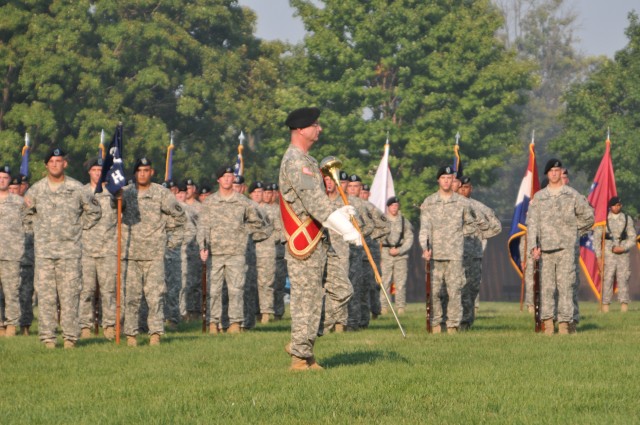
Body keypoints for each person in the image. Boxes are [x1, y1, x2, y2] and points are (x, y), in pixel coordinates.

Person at [279, 107, 360, 370]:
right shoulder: (296, 162)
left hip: (319, 239)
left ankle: (302, 343)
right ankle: (300, 359)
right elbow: (315, 204)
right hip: (304, 243)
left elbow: (318, 202)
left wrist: (340, 212)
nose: (320, 128)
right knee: (307, 299)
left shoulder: (309, 161)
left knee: (342, 291)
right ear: (301, 129)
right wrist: (345, 229)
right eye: (315, 124)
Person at [24, 148, 102, 348]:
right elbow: (25, 215)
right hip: (45, 254)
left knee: (70, 297)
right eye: (51, 161)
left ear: (64, 164)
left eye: (59, 161)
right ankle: (48, 338)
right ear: (46, 165)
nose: (55, 164)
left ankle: (70, 338)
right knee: (47, 299)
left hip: (70, 254)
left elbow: (94, 211)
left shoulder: (77, 189)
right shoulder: (36, 190)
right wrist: (38, 231)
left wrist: (77, 228)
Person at [121, 157, 186, 346]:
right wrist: (115, 196)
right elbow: (113, 209)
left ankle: (155, 333)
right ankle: (131, 334)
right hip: (130, 254)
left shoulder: (161, 194)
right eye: (139, 170)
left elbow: (179, 216)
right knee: (131, 297)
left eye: (146, 170)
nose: (143, 174)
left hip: (154, 255)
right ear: (135, 173)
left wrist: (171, 243)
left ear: (152, 172)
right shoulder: (125, 193)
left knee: (155, 296)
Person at [197, 166, 269, 334]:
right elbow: (202, 226)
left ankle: (235, 323)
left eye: (231, 176)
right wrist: (202, 246)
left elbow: (257, 222)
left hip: (236, 252)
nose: (228, 179)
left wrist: (245, 232)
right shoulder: (210, 202)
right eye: (225, 176)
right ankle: (214, 323)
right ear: (219, 180)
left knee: (236, 290)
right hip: (215, 252)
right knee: (214, 291)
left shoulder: (243, 201)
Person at [419, 166, 489, 334]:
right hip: (435, 254)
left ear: (453, 181)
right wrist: (425, 247)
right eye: (443, 178)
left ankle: (452, 326)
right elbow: (425, 228)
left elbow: (478, 223)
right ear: (438, 180)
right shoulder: (429, 202)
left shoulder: (462, 203)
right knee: (435, 292)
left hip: (455, 254)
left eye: (449, 178)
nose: (446, 181)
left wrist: (467, 236)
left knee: (454, 291)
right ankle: (436, 325)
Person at [528, 159, 594, 335]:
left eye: (558, 170)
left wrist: (574, 231)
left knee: (566, 287)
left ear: (561, 172)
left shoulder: (572, 195)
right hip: (546, 249)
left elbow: (589, 216)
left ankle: (565, 324)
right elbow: (532, 223)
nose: (555, 173)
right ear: (547, 174)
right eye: (551, 171)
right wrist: (533, 246)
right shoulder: (539, 197)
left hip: (566, 249)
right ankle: (548, 324)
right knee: (547, 288)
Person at [78, 158, 118, 340]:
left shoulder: (113, 192)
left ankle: (109, 326)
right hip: (85, 250)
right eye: (94, 169)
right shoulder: (81, 192)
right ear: (89, 172)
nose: (97, 172)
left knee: (109, 291)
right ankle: (85, 326)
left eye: (100, 170)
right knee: (86, 291)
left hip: (108, 250)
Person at [457, 176, 502, 329]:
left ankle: (467, 321)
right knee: (455, 287)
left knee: (472, 288)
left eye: (466, 187)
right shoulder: (450, 205)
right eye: (461, 187)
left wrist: (481, 235)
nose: (463, 190)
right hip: (454, 254)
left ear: (471, 188)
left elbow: (496, 226)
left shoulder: (480, 207)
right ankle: (453, 321)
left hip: (474, 254)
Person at [321, 175, 355, 333]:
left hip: (341, 250)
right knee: (322, 289)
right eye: (325, 180)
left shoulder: (345, 202)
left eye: (331, 180)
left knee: (342, 288)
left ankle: (340, 324)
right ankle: (323, 325)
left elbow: (358, 225)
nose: (328, 183)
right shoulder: (318, 201)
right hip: (321, 250)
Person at [594, 196, 636, 312]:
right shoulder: (603, 220)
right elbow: (597, 239)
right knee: (607, 280)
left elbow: (633, 238)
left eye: (618, 205)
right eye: (614, 205)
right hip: (608, 254)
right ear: (610, 206)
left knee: (623, 279)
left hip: (623, 255)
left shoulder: (627, 219)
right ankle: (605, 307)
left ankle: (624, 308)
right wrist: (598, 257)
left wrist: (623, 247)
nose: (617, 207)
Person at [0, 166, 26, 337]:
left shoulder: (19, 202)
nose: (2, 180)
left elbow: (29, 224)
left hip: (11, 253)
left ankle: (11, 324)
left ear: (10, 181)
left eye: (5, 177)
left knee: (11, 290)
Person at [380, 196, 414, 316]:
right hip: (385, 254)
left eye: (396, 205)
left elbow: (409, 238)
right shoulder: (382, 221)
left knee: (400, 282)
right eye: (392, 206)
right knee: (385, 282)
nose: (394, 208)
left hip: (401, 256)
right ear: (388, 207)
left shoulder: (404, 221)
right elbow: (377, 237)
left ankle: (400, 307)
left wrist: (400, 250)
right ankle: (384, 307)